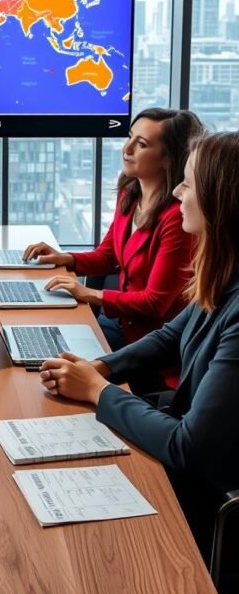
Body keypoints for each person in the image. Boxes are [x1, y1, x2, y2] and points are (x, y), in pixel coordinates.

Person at [39, 131, 239, 560]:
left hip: (206, 503)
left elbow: (188, 448)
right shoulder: (223, 278)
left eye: (188, 183)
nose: (179, 193)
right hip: (185, 463)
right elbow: (170, 336)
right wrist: (101, 369)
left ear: (219, 203)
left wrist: (96, 391)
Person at [24, 108, 204, 350]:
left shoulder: (178, 219)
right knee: (41, 332)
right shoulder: (130, 193)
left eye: (141, 144)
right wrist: (63, 257)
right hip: (119, 323)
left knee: (53, 351)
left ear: (168, 158)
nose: (126, 149)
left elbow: (155, 302)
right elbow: (108, 255)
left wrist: (89, 294)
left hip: (151, 342)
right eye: (129, 137)